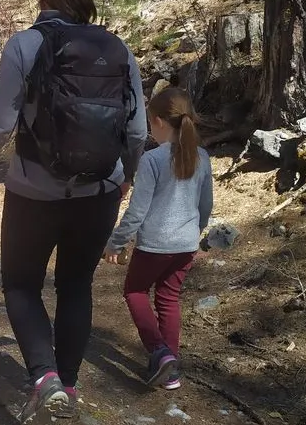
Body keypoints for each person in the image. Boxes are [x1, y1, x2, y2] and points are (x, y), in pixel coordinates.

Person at [0, 0, 147, 422]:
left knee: (22, 284)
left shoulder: (24, 45)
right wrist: (125, 175)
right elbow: (138, 130)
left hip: (33, 193)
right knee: (75, 286)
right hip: (99, 192)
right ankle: (68, 385)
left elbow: (0, 125)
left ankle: (44, 378)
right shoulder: (118, 48)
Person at [102, 87, 213, 391]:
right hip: (186, 245)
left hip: (154, 245)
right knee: (168, 299)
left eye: (151, 121)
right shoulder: (202, 156)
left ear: (160, 122)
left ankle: (160, 352)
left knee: (135, 292)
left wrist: (116, 241)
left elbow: (137, 212)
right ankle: (171, 370)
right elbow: (206, 207)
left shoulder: (152, 160)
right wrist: (195, 233)